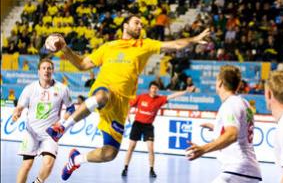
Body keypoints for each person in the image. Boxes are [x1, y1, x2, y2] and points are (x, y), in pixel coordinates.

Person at [45, 15, 210, 180]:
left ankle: (77, 159)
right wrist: (65, 48)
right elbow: (81, 65)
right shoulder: (108, 46)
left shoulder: (145, 44)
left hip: (121, 104)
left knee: (110, 153)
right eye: (136, 22)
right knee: (102, 96)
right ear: (125, 25)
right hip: (105, 90)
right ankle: (62, 127)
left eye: (142, 24)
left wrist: (194, 39)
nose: (140, 26)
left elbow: (174, 44)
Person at [185, 65, 262, 183]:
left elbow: (232, 135)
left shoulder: (230, 104)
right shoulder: (243, 102)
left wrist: (203, 149)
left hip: (238, 169)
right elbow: (240, 129)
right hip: (247, 171)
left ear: (220, 83)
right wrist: (217, 128)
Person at [12, 59, 75, 183]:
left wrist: (62, 122)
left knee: (48, 163)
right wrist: (17, 113)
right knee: (27, 164)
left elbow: (71, 108)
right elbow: (20, 106)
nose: (46, 70)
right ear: (39, 71)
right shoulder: (30, 88)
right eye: (44, 68)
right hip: (32, 132)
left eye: (49, 68)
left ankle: (38, 181)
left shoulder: (62, 88)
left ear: (53, 71)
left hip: (50, 133)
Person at [122, 81, 194, 178]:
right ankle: (125, 168)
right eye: (152, 88)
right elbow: (129, 104)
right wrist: (127, 115)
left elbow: (172, 96)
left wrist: (185, 91)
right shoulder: (141, 97)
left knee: (151, 148)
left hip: (148, 126)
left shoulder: (159, 99)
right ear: (149, 89)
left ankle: (151, 170)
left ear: (157, 90)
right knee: (131, 147)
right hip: (137, 124)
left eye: (156, 88)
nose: (154, 90)